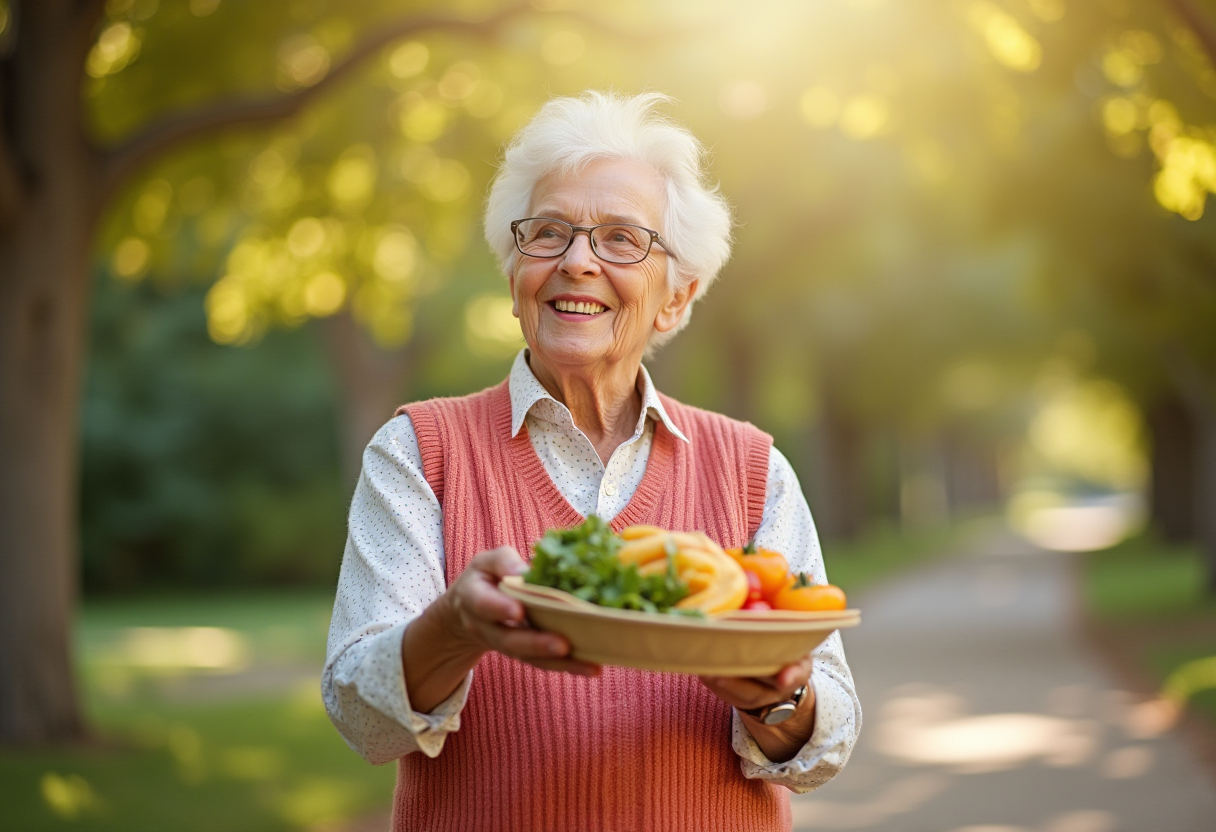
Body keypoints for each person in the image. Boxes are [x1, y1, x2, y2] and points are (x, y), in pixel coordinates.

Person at [322, 91, 860, 832]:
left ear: (676, 298)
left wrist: (775, 698)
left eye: (621, 239)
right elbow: (360, 718)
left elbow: (829, 741)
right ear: (515, 275)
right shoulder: (420, 451)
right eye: (549, 233)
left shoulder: (753, 470)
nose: (577, 261)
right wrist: (454, 626)